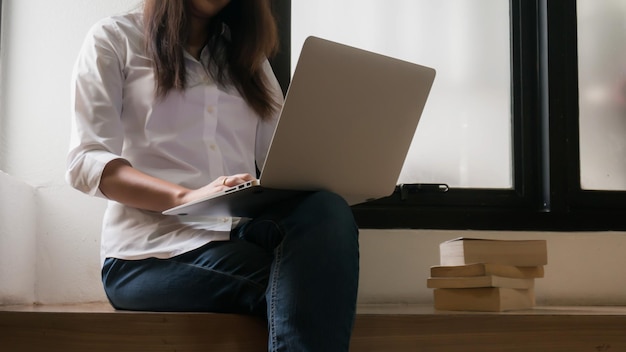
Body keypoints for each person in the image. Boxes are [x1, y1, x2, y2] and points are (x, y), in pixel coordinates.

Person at [66, 0, 360, 351]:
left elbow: (282, 160)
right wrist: (185, 197)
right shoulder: (115, 38)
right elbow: (87, 160)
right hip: (149, 255)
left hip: (235, 239)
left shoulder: (248, 59)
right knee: (312, 282)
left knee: (327, 210)